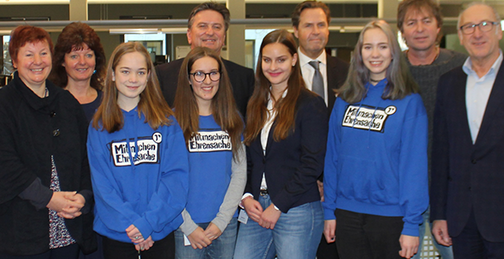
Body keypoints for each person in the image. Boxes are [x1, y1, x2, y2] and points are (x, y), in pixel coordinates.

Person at [431, 2, 504, 258]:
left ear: (499, 31)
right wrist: (439, 214)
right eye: (469, 27)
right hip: (461, 220)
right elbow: (442, 153)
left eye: (485, 24)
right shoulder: (449, 84)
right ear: (461, 36)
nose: (478, 32)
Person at [0, 25, 96, 258]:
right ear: (15, 60)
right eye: (28, 54)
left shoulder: (66, 103)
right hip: (20, 231)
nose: (37, 61)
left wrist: (83, 196)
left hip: (67, 227)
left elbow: (85, 157)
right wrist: (49, 199)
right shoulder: (3, 105)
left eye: (43, 53)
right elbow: (1, 164)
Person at [323, 20, 428, 259]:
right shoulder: (344, 100)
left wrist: (412, 224)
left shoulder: (410, 103)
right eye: (368, 47)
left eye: (382, 46)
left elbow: (414, 168)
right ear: (359, 53)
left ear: (394, 52)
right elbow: (333, 159)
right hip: (346, 214)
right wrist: (329, 210)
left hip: (391, 216)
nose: (375, 54)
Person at [87, 42, 189, 259]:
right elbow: (103, 186)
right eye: (125, 71)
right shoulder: (99, 126)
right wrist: (135, 227)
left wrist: (148, 223)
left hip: (160, 230)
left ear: (148, 76)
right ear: (113, 75)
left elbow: (175, 179)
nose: (133, 79)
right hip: (119, 232)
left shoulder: (166, 122)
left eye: (140, 72)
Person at [233, 29, 328, 259]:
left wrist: (278, 206)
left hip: (296, 208)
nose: (273, 66)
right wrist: (245, 196)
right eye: (267, 60)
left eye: (281, 59)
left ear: (294, 59)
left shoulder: (310, 104)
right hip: (256, 207)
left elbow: (312, 164)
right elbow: (247, 157)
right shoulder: (254, 104)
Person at [397, 0, 466, 259]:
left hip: (451, 191)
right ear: (402, 30)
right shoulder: (391, 68)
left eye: (427, 21)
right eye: (412, 22)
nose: (420, 28)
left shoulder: (461, 66)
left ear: (438, 27)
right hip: (401, 192)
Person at [173, 47, 246, 259]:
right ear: (188, 79)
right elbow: (166, 179)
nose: (207, 80)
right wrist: (187, 225)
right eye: (199, 74)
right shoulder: (172, 122)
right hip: (184, 225)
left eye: (213, 73)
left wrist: (222, 220)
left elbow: (239, 173)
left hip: (224, 224)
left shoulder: (233, 119)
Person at [292, 0, 349, 259]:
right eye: (308, 25)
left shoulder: (349, 73)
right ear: (295, 30)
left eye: (321, 24)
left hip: (340, 187)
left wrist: (328, 180)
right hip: (295, 186)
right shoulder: (283, 71)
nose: (315, 31)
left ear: (329, 28)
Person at [156, 1, 255, 118]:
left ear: (223, 37)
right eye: (202, 26)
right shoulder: (163, 75)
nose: (210, 32)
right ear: (189, 35)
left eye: (217, 27)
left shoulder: (244, 78)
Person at [50, 22, 106, 121]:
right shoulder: (52, 102)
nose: (82, 62)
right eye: (74, 56)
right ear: (62, 61)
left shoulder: (107, 102)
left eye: (88, 55)